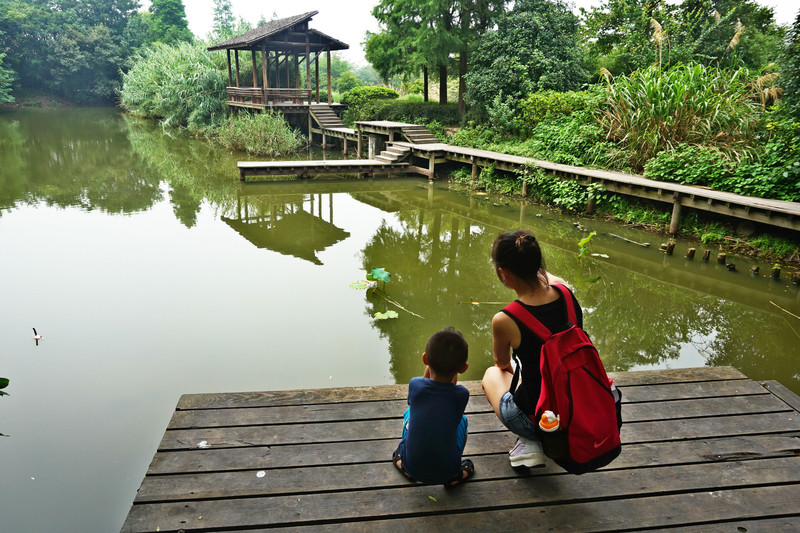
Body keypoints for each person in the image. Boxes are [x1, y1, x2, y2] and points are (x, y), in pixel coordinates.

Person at [481, 229, 583, 468]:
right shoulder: (566, 293)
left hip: (539, 417)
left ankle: (530, 439)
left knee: (492, 375)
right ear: (537, 264)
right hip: (576, 408)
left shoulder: (505, 319)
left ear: (504, 273)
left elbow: (502, 363)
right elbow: (550, 279)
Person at [392, 327, 474, 486]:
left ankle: (404, 467)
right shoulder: (462, 394)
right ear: (463, 368)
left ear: (425, 359)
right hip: (447, 471)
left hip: (413, 466)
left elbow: (424, 393)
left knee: (410, 413)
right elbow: (448, 397)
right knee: (461, 420)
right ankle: (456, 476)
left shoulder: (415, 384)